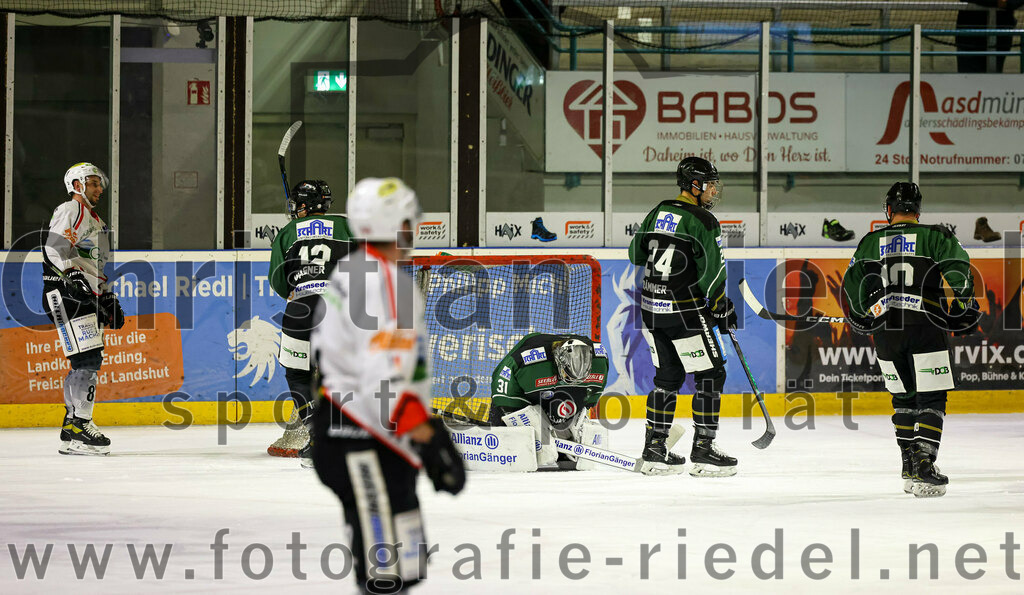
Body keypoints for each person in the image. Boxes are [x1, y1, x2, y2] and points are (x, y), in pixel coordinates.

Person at [310, 177, 465, 593]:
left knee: (403, 561)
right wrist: (426, 432)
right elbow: (381, 370)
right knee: (388, 571)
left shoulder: (353, 270)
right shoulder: (383, 282)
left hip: (361, 431)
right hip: (362, 436)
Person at [842, 182, 980, 498]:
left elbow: (853, 286)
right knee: (931, 397)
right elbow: (960, 270)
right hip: (925, 324)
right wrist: (962, 305)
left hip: (886, 332)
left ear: (889, 210)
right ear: (918, 210)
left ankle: (908, 466)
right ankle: (925, 465)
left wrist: (863, 315)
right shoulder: (936, 235)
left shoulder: (870, 241)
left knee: (903, 397)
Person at [628, 156, 737, 477]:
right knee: (711, 374)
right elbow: (714, 271)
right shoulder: (702, 220)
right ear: (695, 185)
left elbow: (635, 254)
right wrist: (720, 305)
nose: (714, 190)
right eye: (710, 184)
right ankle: (703, 451)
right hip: (685, 312)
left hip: (651, 310)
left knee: (667, 378)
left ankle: (654, 450)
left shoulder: (656, 211)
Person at [41, 162, 125, 456]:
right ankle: (80, 426)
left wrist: (108, 296)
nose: (99, 188)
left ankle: (71, 426)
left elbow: (96, 266)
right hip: (65, 293)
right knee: (88, 359)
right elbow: (54, 247)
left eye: (99, 183)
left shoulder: (96, 221)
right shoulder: (71, 210)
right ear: (76, 185)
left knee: (85, 358)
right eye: (92, 183)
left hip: (84, 295)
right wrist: (71, 276)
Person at [266, 180, 352, 458]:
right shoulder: (347, 226)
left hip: (301, 308)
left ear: (304, 204)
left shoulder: (288, 232)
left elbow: (278, 282)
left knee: (297, 375)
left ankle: (316, 435)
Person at [488, 332, 608, 468]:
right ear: (558, 360)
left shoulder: (600, 361)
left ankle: (561, 441)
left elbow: (589, 398)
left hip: (559, 388)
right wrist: (520, 424)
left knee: (565, 420)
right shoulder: (528, 362)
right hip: (524, 387)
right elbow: (502, 388)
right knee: (538, 449)